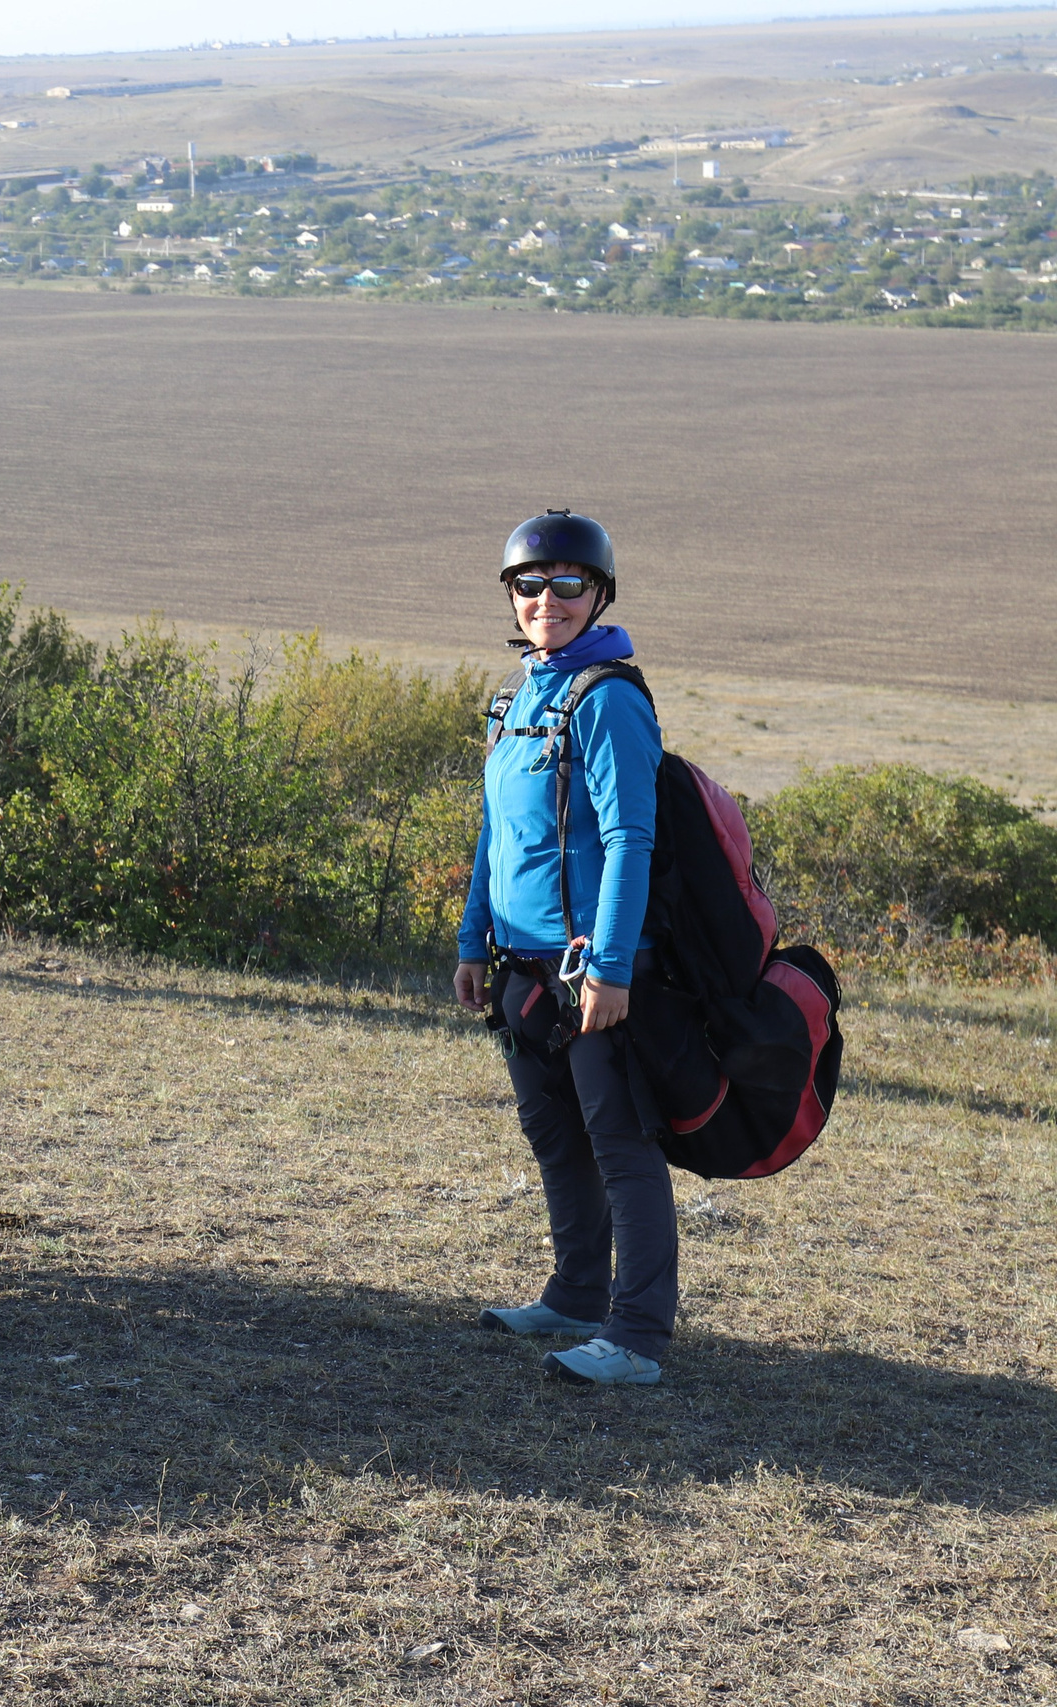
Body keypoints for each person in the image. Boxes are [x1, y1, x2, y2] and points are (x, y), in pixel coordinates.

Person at [455, 509, 670, 1387]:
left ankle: (637, 1335)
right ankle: (578, 1293)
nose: (548, 598)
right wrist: (474, 941)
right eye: (531, 583)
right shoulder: (521, 696)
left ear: (601, 592)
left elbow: (630, 840)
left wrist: (613, 967)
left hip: (590, 973)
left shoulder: (608, 698)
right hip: (520, 969)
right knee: (557, 1140)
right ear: (512, 593)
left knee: (619, 1145)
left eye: (569, 583)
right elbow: (495, 835)